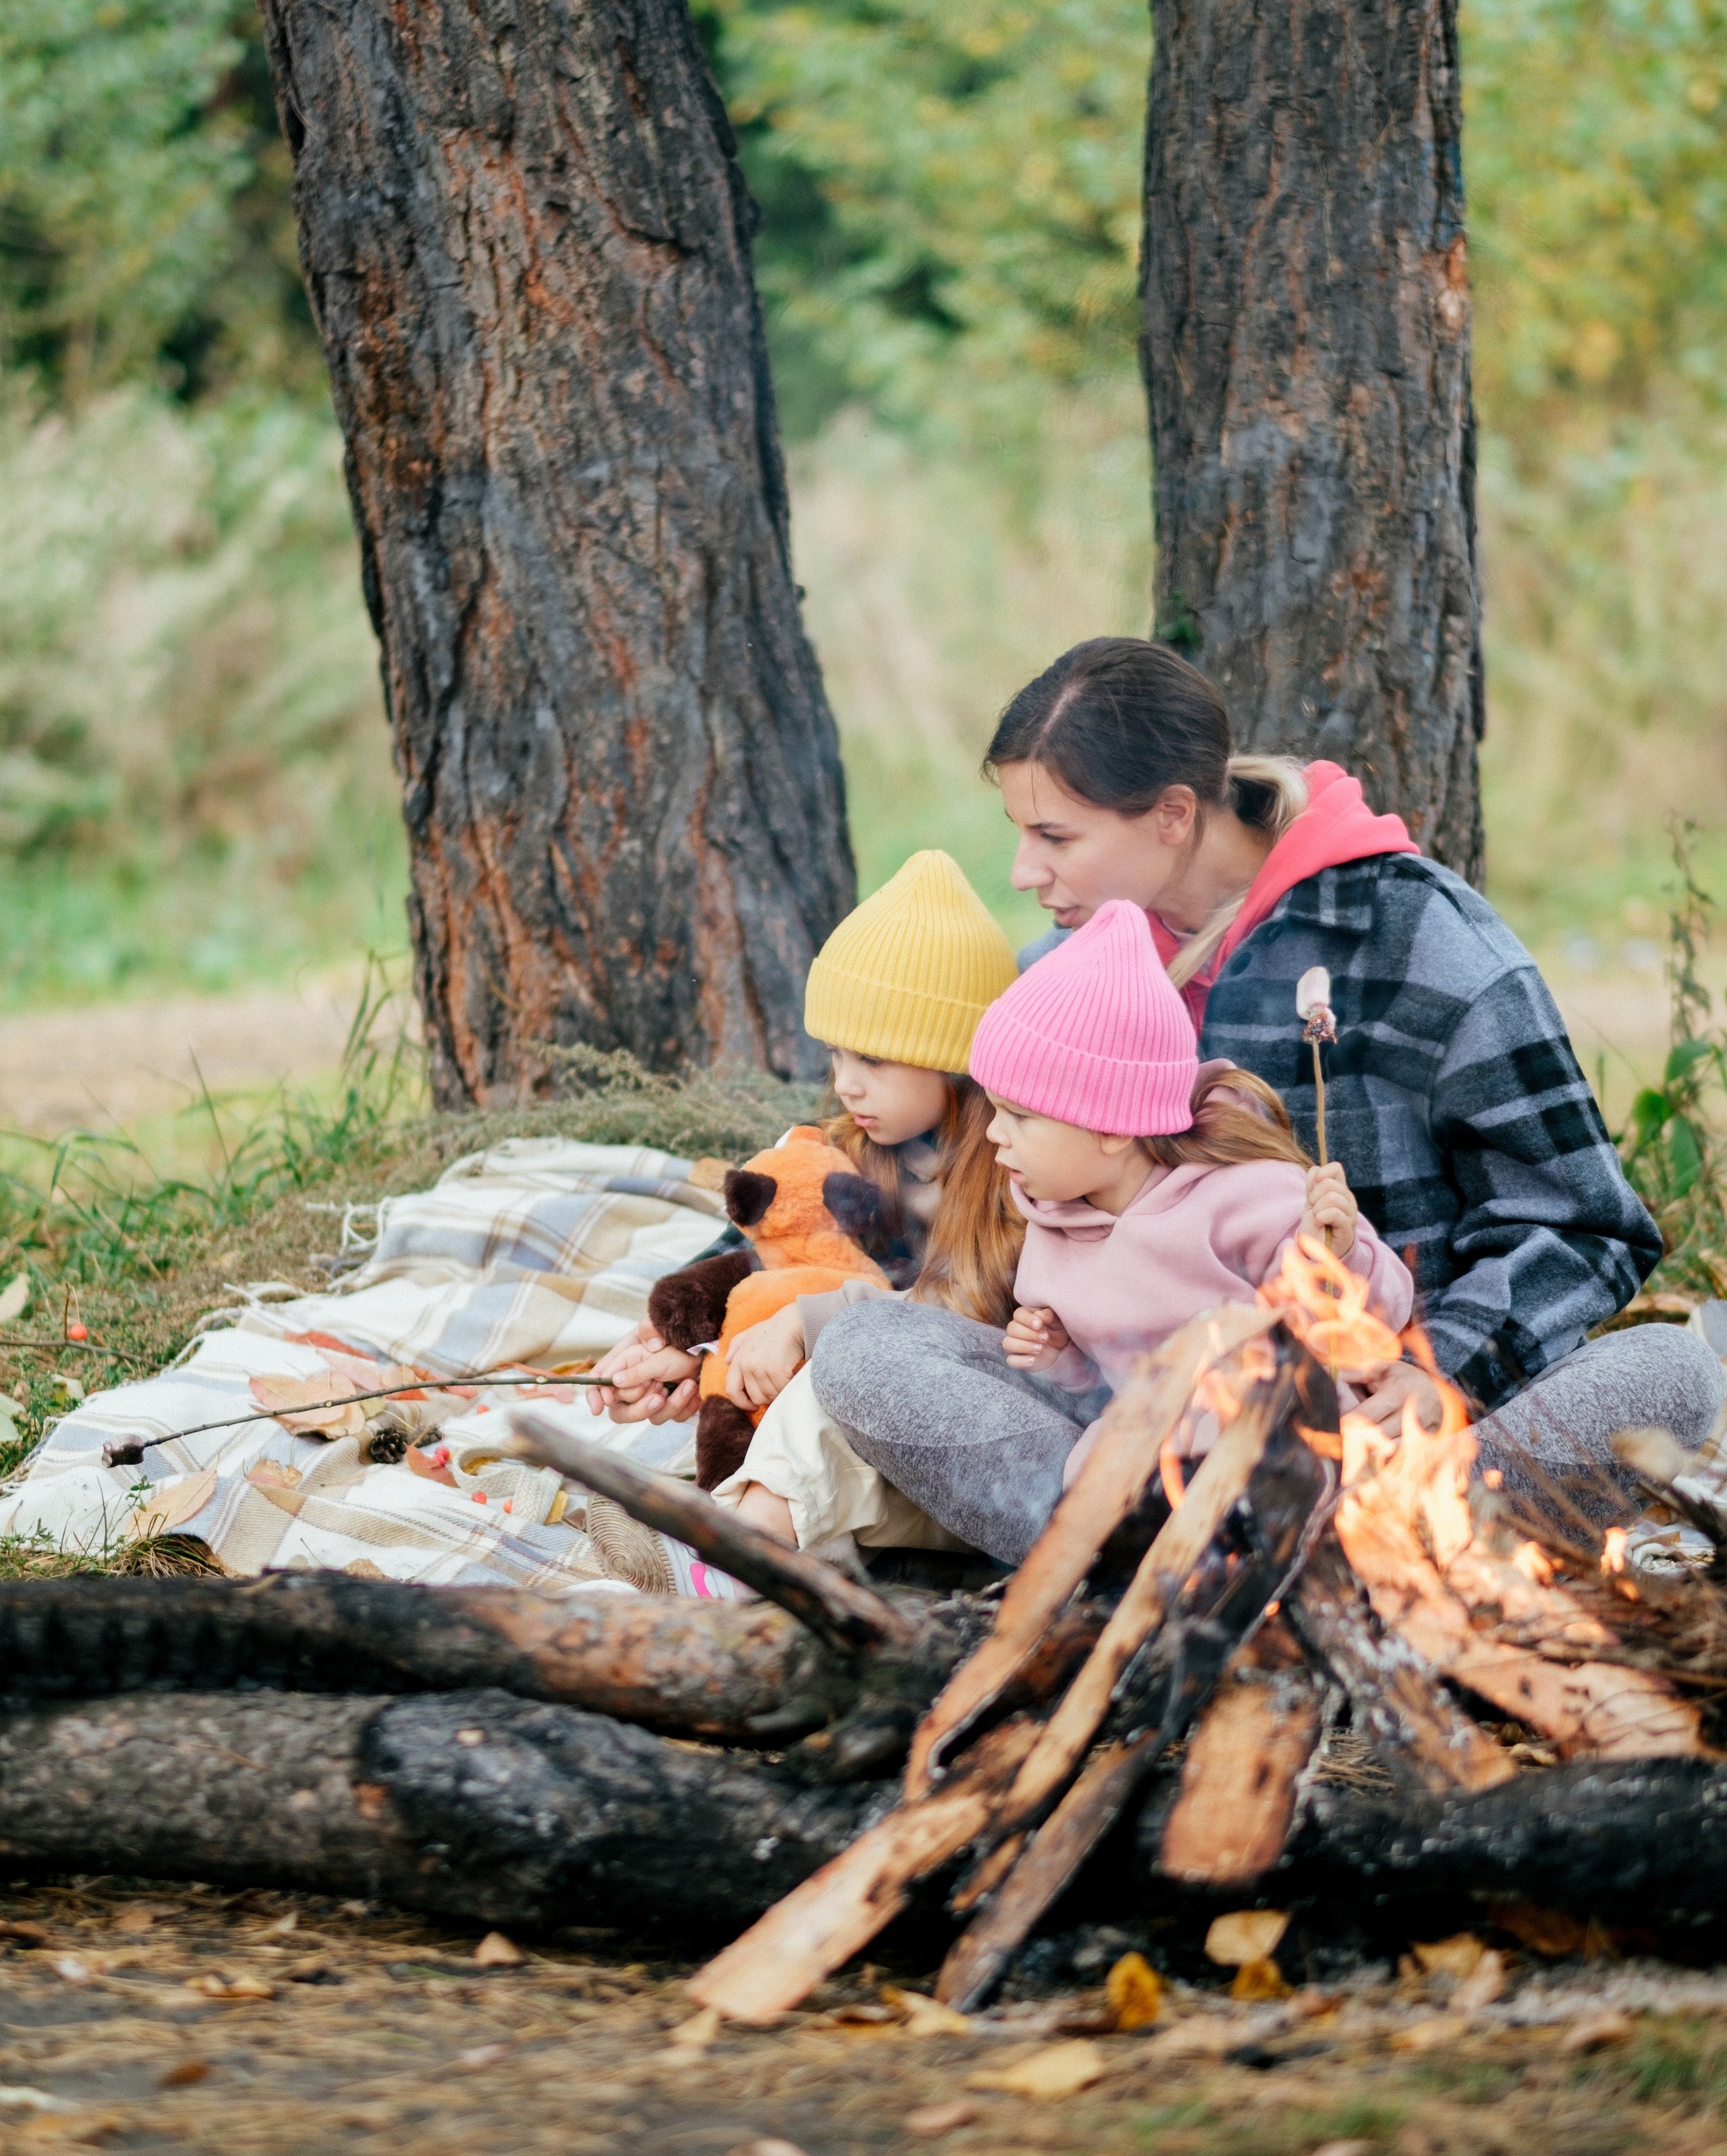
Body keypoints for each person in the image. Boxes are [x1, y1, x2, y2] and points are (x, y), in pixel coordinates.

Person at [811, 637, 1722, 1545]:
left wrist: (1441, 1374)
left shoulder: (1417, 939)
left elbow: (1582, 1223)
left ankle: (1369, 1553)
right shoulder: (1064, 976)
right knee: (865, 1354)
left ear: (1173, 815)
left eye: (1054, 835)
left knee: (1672, 1371)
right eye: (1020, 831)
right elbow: (975, 1195)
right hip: (1144, 1434)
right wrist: (801, 1308)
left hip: (1390, 1425)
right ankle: (1139, 1550)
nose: (1021, 871)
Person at [800, 898, 1410, 1561]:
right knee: (864, 1346)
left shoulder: (1243, 1197)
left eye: (1018, 1116)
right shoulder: (1049, 1222)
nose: (993, 1134)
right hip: (1131, 1469)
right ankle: (1107, 1562)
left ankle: (1216, 1563)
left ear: (1114, 1126)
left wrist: (1344, 1254)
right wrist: (1058, 1356)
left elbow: (1370, 1326)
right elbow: (1099, 1382)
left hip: (1274, 1462)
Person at [587, 850, 1023, 1546]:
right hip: (859, 1451)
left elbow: (957, 1329)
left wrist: (803, 1325)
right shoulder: (851, 1147)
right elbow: (765, 1253)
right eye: (836, 1056)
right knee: (793, 1398)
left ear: (956, 1062)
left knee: (826, 1401)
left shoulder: (1011, 1179)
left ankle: (735, 1557)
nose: (846, 1084)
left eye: (872, 1061)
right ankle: (742, 1535)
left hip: (964, 1461)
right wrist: (689, 1349)